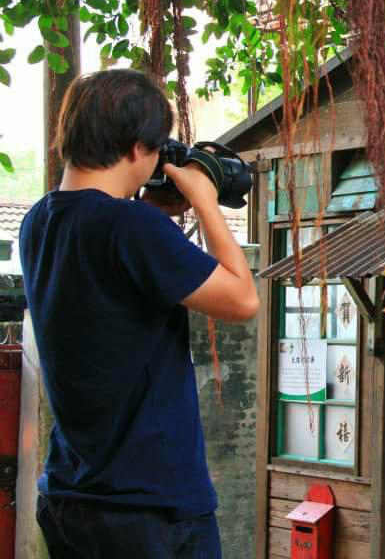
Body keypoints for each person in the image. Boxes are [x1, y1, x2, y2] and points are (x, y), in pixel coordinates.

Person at [19, 69, 259, 558]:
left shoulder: (40, 220)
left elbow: (111, 275)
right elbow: (242, 300)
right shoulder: (130, 226)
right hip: (149, 507)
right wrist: (205, 202)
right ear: (135, 148)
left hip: (72, 494)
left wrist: (154, 208)